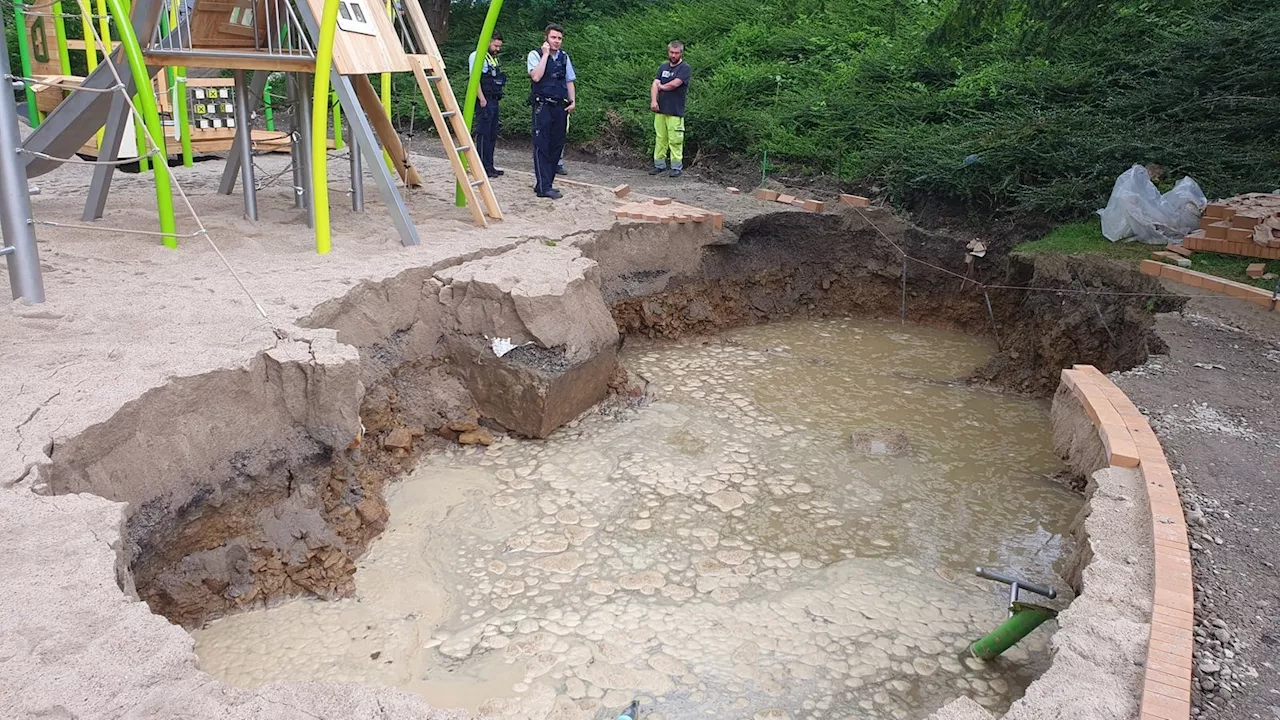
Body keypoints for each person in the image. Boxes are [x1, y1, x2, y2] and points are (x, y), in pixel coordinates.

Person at [527, 24, 576, 199]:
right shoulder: (535, 55)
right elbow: (536, 76)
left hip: (559, 106)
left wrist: (573, 101)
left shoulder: (564, 57)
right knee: (542, 146)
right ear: (546, 38)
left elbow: (569, 80)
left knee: (557, 145)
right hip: (542, 107)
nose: (556, 41)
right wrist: (546, 55)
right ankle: (543, 186)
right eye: (553, 37)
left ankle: (547, 182)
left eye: (559, 38)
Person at [649, 41, 691, 178]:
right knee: (660, 138)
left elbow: (675, 84)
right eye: (671, 52)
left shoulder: (685, 68)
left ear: (681, 53)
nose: (673, 55)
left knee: (675, 140)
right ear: (668, 52)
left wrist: (662, 87)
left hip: (675, 111)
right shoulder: (663, 67)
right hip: (660, 110)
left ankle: (676, 167)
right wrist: (654, 101)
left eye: (676, 53)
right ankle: (659, 165)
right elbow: (655, 83)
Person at [469, 32, 507, 178]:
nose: (497, 49)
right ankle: (482, 166)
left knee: (492, 134)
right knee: (484, 134)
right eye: (495, 45)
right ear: (488, 42)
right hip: (484, 100)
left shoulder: (492, 59)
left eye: (499, 46)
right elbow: (475, 79)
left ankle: (489, 165)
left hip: (494, 99)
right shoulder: (477, 56)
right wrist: (482, 99)